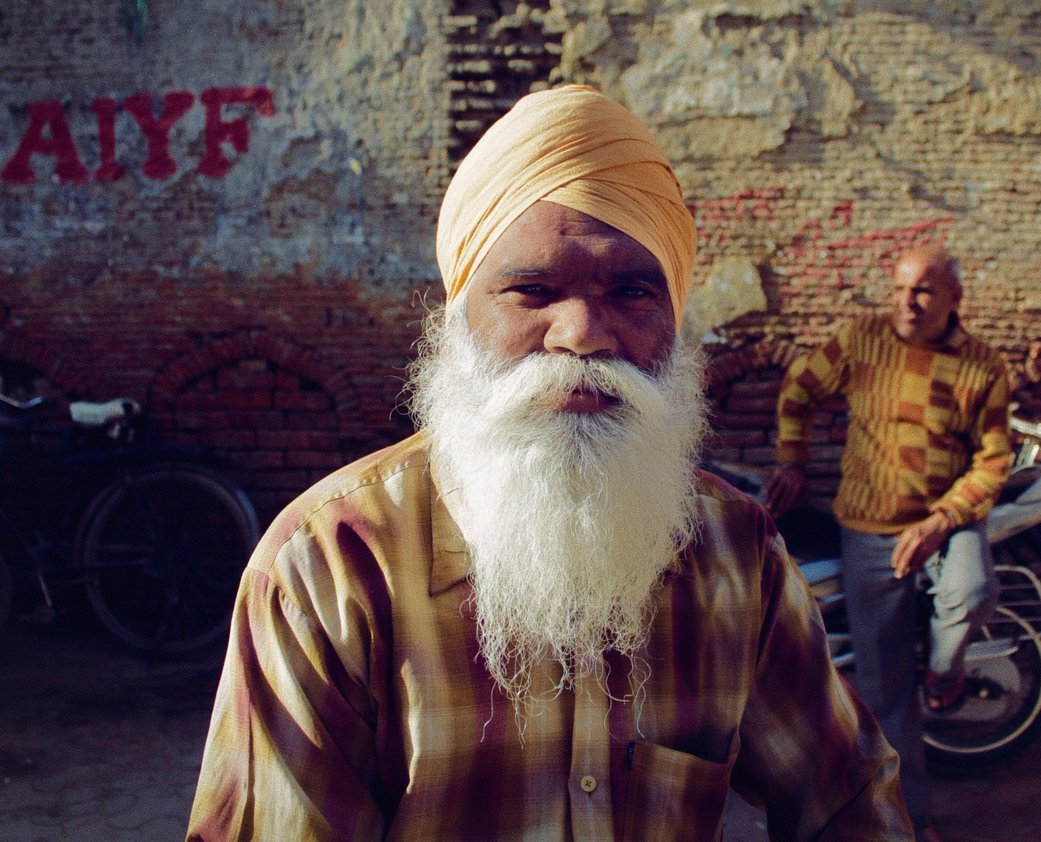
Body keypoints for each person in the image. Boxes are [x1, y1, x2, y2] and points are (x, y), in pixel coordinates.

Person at [186, 85, 913, 840]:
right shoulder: (326, 570)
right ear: (458, 321)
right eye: (533, 290)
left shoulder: (736, 553)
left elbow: (848, 799)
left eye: (633, 290)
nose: (584, 334)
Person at [765, 245, 1013, 842]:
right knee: (884, 694)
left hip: (945, 523)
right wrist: (792, 461)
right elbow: (798, 389)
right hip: (870, 531)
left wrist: (942, 521)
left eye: (924, 291)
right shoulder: (861, 340)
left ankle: (946, 669)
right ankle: (911, 820)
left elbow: (994, 459)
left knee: (974, 591)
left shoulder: (983, 365)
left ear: (954, 299)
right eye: (900, 289)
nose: (908, 302)